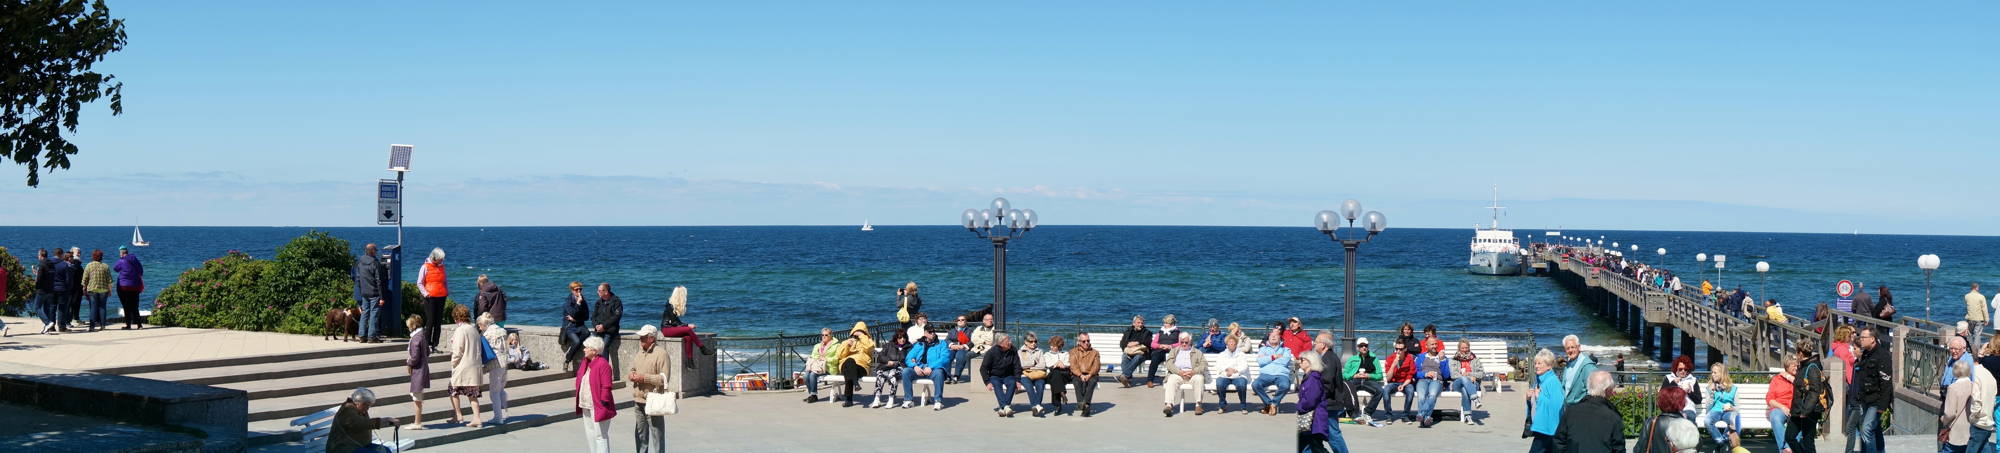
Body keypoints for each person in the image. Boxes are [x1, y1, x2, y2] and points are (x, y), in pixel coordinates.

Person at [1554, 371, 1623, 452]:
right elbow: (1618, 449)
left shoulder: (1571, 412)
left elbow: (1559, 442)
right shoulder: (1613, 417)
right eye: (1612, 388)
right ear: (1607, 390)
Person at [627, 325, 670, 453]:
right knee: (640, 436)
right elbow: (633, 368)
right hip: (638, 400)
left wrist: (644, 378)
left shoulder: (661, 354)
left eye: (643, 337)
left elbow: (664, 379)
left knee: (657, 436)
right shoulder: (640, 352)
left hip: (654, 401)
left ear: (651, 338)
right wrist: (631, 374)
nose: (640, 339)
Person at [445, 305, 486, 427]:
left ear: (457, 317)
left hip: (463, 366)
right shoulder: (473, 329)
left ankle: (458, 415)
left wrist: (454, 362)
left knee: (453, 390)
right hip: (475, 365)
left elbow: (458, 349)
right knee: (472, 393)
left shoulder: (461, 330)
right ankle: (477, 418)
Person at [1853, 326, 1892, 453]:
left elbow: (1886, 383)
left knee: (1866, 429)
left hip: (1877, 401)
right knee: (1875, 429)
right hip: (1865, 399)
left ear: (1872, 339)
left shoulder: (1882, 356)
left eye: (1863, 337)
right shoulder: (1866, 354)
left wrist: (1882, 406)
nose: (1861, 340)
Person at [574, 336, 616, 453]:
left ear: (594, 351)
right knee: (590, 433)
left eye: (586, 348)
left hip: (598, 405)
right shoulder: (585, 362)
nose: (584, 350)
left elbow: (607, 386)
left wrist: (603, 401)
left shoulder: (603, 364)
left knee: (600, 435)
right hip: (586, 403)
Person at [327, 388, 400, 453]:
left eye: (369, 405)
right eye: (366, 405)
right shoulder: (347, 409)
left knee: (386, 450)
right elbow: (360, 424)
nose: (368, 408)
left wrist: (390, 422)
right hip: (343, 447)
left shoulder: (361, 409)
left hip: (360, 444)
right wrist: (386, 420)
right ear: (357, 402)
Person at [656, 286, 713, 369]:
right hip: (666, 329)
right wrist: (687, 325)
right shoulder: (670, 306)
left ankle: (689, 362)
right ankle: (702, 348)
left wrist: (686, 325)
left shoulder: (672, 306)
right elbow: (674, 323)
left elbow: (677, 322)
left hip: (670, 329)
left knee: (688, 337)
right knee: (688, 329)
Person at [1788, 344, 1830, 453]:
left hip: (1809, 411)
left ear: (1800, 354)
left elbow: (1814, 392)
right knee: (1789, 437)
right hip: (1798, 410)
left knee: (1808, 441)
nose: (1796, 356)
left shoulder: (1812, 368)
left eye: (1796, 354)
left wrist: (1805, 412)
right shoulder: (1803, 366)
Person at [1297, 350, 1340, 453]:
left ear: (1310, 362)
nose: (1299, 362)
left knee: (1315, 446)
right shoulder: (1309, 377)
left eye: (1302, 359)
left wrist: (1298, 407)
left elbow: (1310, 400)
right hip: (1312, 420)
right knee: (1309, 446)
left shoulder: (1313, 378)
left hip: (1314, 419)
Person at [1635, 385, 1699, 453]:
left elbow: (1639, 449)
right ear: (1681, 403)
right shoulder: (1687, 424)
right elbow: (1696, 446)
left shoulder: (1650, 422)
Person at [1160, 332, 1209, 417]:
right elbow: (1169, 363)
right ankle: (1169, 405)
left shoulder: (1197, 352)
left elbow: (1204, 364)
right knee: (1171, 379)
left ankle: (1198, 405)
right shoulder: (1174, 351)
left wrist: (1193, 371)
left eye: (1186, 342)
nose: (1184, 344)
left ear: (1190, 342)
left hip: (1193, 374)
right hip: (1179, 374)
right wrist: (1179, 372)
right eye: (1182, 342)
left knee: (1199, 378)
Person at [902, 329, 950, 410]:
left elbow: (945, 358)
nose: (933, 333)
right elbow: (908, 358)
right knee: (906, 371)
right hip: (919, 369)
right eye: (930, 332)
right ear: (925, 333)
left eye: (934, 332)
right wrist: (914, 366)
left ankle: (938, 401)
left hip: (933, 369)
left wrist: (931, 367)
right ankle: (908, 400)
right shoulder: (919, 344)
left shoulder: (941, 343)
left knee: (939, 373)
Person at [1527, 348, 1564, 453]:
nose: (1536, 366)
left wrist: (1539, 396)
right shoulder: (1540, 379)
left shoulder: (1553, 382)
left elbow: (1558, 405)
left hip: (1548, 429)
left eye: (1540, 363)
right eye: (1535, 363)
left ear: (1549, 366)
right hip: (1542, 427)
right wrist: (1529, 398)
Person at [1410, 340, 1452, 428]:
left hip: (1437, 381)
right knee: (1421, 396)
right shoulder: (1421, 357)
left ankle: (1421, 414)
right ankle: (1427, 418)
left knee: (1432, 395)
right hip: (1423, 380)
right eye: (1432, 344)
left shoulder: (1443, 358)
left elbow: (1446, 375)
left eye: (1436, 344)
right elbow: (1414, 373)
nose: (1434, 346)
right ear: (1426, 346)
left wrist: (1442, 361)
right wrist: (1425, 374)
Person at [834, 322, 876, 407]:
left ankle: (848, 400)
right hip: (846, 364)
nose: (857, 333)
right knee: (850, 361)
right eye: (856, 331)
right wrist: (847, 345)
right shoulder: (847, 341)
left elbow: (869, 347)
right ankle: (856, 383)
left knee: (849, 370)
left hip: (861, 367)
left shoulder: (868, 341)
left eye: (861, 331)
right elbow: (839, 355)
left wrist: (861, 336)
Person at [1254, 329, 1295, 416]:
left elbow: (1284, 361)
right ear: (1268, 338)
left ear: (1280, 338)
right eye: (1271, 335)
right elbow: (1260, 361)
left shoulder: (1286, 350)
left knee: (1285, 385)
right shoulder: (1263, 349)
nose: (1273, 337)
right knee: (1255, 385)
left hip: (1281, 374)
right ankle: (1269, 404)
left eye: (1276, 335)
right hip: (1266, 374)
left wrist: (1267, 359)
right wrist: (1274, 357)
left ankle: (1274, 404)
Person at [1344, 337, 1385, 424]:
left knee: (1380, 391)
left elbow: (1379, 375)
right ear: (1358, 348)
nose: (1364, 347)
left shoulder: (1374, 358)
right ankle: (1354, 414)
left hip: (1368, 380)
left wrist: (1368, 375)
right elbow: (1344, 375)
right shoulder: (1352, 359)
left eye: (1365, 345)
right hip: (1355, 380)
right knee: (1346, 390)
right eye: (1361, 346)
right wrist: (1354, 375)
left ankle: (1367, 412)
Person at [353, 244, 388, 342]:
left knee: (364, 313)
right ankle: (372, 337)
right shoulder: (375, 263)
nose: (376, 252)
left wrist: (360, 292)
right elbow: (379, 281)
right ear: (372, 251)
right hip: (374, 293)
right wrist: (381, 297)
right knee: (374, 315)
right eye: (375, 250)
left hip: (364, 293)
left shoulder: (359, 262)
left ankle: (362, 335)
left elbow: (358, 279)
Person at [982, 333, 1023, 417]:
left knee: (1012, 383)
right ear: (1001, 344)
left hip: (1008, 375)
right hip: (995, 375)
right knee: (997, 385)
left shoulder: (1013, 350)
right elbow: (983, 368)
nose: (1010, 342)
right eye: (1008, 341)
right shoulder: (991, 352)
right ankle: (1006, 407)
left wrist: (1018, 380)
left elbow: (1017, 366)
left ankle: (1003, 408)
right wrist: (987, 382)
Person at [479, 313, 509, 424]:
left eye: (480, 325)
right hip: (505, 362)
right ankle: (504, 412)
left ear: (484, 324)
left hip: (496, 363)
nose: (480, 328)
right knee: (501, 389)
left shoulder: (487, 334)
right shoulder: (501, 330)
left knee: (494, 392)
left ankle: (498, 417)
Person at [1700, 362, 1739, 449]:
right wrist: (1711, 393)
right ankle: (1721, 442)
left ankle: (1724, 440)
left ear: (1722, 373)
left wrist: (1732, 408)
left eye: (1715, 372)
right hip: (1715, 410)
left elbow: (1737, 407)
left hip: (1728, 411)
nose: (1712, 374)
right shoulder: (1710, 387)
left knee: (1734, 420)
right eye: (1712, 372)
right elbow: (1708, 407)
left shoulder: (1733, 388)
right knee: (1707, 420)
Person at [416, 248, 448, 353]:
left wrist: (446, 291)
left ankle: (435, 345)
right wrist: (426, 293)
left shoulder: (442, 267)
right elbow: (419, 282)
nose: (441, 261)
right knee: (430, 321)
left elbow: (444, 280)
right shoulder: (425, 267)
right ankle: (427, 345)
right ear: (434, 257)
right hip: (430, 298)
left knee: (438, 322)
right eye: (440, 259)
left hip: (441, 296)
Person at [868, 331, 909, 409]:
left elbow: (907, 360)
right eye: (900, 337)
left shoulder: (908, 347)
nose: (902, 339)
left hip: (899, 368)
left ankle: (891, 398)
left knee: (892, 375)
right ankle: (877, 398)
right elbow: (880, 356)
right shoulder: (889, 345)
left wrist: (895, 363)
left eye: (904, 337)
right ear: (896, 338)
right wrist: (887, 361)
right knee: (880, 375)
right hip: (886, 366)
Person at [1382, 338, 1418, 423]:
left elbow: (1410, 375)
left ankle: (1405, 416)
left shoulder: (1409, 358)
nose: (1398, 351)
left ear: (1405, 349)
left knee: (1410, 391)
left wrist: (1403, 385)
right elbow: (1388, 379)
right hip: (1393, 382)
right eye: (1396, 349)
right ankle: (1388, 416)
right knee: (1385, 390)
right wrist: (1393, 365)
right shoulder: (1390, 358)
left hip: (1405, 382)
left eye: (1401, 349)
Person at [1449, 339, 1486, 423]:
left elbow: (1482, 373)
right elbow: (1453, 375)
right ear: (1459, 348)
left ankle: (1468, 416)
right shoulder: (1454, 359)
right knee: (1464, 379)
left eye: (1467, 348)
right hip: (1457, 383)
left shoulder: (1475, 359)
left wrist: (1469, 374)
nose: (1465, 350)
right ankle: (1475, 399)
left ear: (1469, 347)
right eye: (1463, 348)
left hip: (1473, 384)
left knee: (1465, 390)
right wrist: (1469, 377)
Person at [1212, 336, 1251, 413]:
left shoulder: (1241, 354)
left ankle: (1243, 406)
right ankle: (1222, 405)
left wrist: (1235, 370)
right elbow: (1218, 365)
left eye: (1233, 342)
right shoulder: (1222, 354)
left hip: (1238, 375)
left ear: (1236, 344)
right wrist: (1227, 369)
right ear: (1227, 344)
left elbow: (1244, 366)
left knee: (1241, 385)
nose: (1231, 343)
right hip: (1225, 375)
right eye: (1229, 342)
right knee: (1220, 384)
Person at [404, 315, 431, 429]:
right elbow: (428, 352)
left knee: (417, 397)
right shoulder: (422, 335)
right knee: (417, 396)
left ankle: (417, 422)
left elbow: (415, 357)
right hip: (423, 368)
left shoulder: (416, 338)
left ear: (413, 325)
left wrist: (409, 362)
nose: (408, 327)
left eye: (409, 325)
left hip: (418, 370)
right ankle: (417, 421)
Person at [592, 283, 625, 372]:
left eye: (599, 291)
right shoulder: (598, 302)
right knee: (591, 346)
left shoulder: (616, 301)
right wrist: (596, 326)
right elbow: (593, 316)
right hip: (598, 329)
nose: (597, 292)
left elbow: (616, 317)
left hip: (610, 330)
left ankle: (605, 371)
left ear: (606, 292)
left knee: (604, 346)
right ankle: (594, 369)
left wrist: (604, 326)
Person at [1017, 332, 1051, 416]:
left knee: (1040, 385)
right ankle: (1037, 406)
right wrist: (1034, 362)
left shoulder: (1040, 351)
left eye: (1035, 341)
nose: (1034, 343)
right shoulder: (1020, 352)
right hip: (1024, 375)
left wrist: (1030, 368)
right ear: (1025, 342)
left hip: (1038, 374)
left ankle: (1035, 407)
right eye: (1031, 341)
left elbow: (1043, 365)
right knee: (1029, 387)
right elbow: (1021, 364)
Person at [560, 282, 592, 372]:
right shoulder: (568, 301)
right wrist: (578, 304)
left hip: (579, 325)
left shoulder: (583, 301)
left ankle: (573, 348)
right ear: (572, 290)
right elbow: (572, 313)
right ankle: (567, 360)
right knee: (577, 342)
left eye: (580, 289)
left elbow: (586, 317)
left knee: (587, 333)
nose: (578, 291)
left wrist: (575, 320)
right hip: (569, 327)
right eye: (576, 289)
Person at [1766, 358, 1795, 453]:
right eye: (1794, 365)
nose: (1796, 367)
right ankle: (1785, 448)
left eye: (1797, 365)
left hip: (1795, 409)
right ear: (1787, 366)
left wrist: (1791, 378)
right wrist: (1782, 407)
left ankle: (1792, 449)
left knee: (1799, 423)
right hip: (1780, 408)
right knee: (1775, 417)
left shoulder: (1800, 378)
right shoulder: (1777, 379)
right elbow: (1769, 399)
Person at [1147, 314, 1184, 388]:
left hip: (1172, 351)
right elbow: (1153, 344)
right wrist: (1160, 346)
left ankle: (1172, 378)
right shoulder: (1160, 332)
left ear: (1172, 324)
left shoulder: (1178, 332)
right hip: (1161, 351)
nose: (1164, 324)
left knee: (1172, 361)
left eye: (1166, 323)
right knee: (1155, 359)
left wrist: (1171, 346)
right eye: (1164, 323)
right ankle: (1150, 380)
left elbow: (1181, 344)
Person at [1945, 360, 1975, 453]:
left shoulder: (1953, 388)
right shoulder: (1974, 386)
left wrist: (1943, 419)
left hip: (1956, 430)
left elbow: (1950, 413)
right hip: (1970, 429)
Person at [1118, 315, 1155, 388]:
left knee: (1138, 357)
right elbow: (1122, 343)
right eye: (1138, 323)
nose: (1140, 325)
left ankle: (1125, 376)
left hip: (1142, 353)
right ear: (1133, 323)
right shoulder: (1128, 331)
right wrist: (1127, 347)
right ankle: (1126, 379)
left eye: (1142, 323)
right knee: (1125, 357)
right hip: (1130, 352)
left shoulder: (1147, 332)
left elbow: (1148, 342)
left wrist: (1137, 343)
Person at [1661, 355, 1702, 420]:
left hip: (1688, 409)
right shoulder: (1669, 378)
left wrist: (1689, 392)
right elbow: (1662, 395)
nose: (1683, 371)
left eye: (1685, 369)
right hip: (1672, 409)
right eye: (1680, 369)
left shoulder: (1693, 380)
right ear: (1675, 369)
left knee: (1689, 417)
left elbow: (1698, 400)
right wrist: (1673, 383)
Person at [1560, 335, 1598, 406]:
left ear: (1579, 347)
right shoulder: (1569, 363)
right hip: (1568, 408)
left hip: (1580, 409)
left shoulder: (1587, 366)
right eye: (1567, 348)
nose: (1570, 350)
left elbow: (1593, 392)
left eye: (1572, 347)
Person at [1071, 332, 1102, 417]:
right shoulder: (1073, 352)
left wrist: (1089, 375)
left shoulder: (1095, 352)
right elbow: (1073, 366)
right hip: (1078, 374)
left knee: (1091, 383)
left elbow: (1096, 366)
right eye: (1084, 341)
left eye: (1088, 341)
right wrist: (1080, 375)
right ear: (1079, 342)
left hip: (1092, 374)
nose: (1087, 343)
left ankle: (1085, 405)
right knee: (1077, 382)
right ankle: (1083, 405)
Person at [112, 245, 143, 330]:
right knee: (135, 306)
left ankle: (128, 325)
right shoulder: (135, 259)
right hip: (135, 286)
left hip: (124, 287)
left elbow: (115, 268)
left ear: (121, 253)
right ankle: (139, 325)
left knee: (126, 305)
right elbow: (141, 270)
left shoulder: (122, 260)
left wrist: (121, 260)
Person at [802, 328, 836, 403]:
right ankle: (812, 395)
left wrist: (826, 359)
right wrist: (819, 358)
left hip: (829, 368)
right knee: (806, 375)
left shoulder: (836, 346)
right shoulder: (817, 346)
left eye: (826, 335)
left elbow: (836, 358)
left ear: (831, 336)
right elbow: (813, 356)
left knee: (812, 375)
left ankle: (813, 395)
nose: (824, 336)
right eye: (822, 335)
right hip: (817, 366)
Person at [81, 249, 111, 332]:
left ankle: (92, 326)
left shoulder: (89, 265)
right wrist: (110, 290)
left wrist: (84, 289)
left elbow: (84, 279)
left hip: (92, 289)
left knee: (93, 308)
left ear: (93, 256)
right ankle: (103, 325)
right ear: (101, 257)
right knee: (102, 307)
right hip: (103, 290)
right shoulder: (105, 266)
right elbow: (109, 280)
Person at [1042, 335, 1072, 415]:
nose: (1051, 347)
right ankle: (1062, 393)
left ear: (1059, 346)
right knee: (1055, 373)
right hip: (1052, 374)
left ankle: (1058, 405)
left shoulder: (1065, 353)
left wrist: (1063, 364)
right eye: (1050, 345)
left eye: (1053, 346)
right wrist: (1057, 363)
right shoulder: (1047, 354)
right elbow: (1048, 364)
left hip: (1064, 375)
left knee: (1057, 375)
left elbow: (1068, 364)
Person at [946, 315, 975, 384]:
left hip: (963, 348)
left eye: (962, 320)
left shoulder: (970, 331)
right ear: (956, 322)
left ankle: (956, 376)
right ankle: (948, 376)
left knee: (960, 356)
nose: (960, 321)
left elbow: (973, 341)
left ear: (966, 321)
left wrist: (964, 346)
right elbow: (947, 339)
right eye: (959, 320)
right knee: (947, 356)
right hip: (953, 348)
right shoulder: (952, 331)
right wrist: (952, 345)